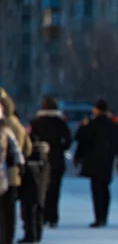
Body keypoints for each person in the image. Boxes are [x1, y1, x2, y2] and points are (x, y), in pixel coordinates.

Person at [74, 99, 118, 228]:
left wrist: (78, 157)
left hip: (93, 161)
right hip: (108, 160)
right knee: (105, 188)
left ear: (97, 110)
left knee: (96, 189)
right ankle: (104, 216)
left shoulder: (92, 124)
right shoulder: (113, 125)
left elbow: (81, 140)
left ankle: (98, 217)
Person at [28, 96, 72, 228]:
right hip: (57, 160)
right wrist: (60, 149)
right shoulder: (60, 122)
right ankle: (53, 217)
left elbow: (30, 139)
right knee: (55, 190)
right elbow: (68, 140)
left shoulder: (36, 122)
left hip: (41, 160)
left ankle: (42, 216)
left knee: (41, 190)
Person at [0, 88, 31, 244]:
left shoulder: (4, 126)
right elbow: (26, 150)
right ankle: (8, 240)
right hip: (12, 175)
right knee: (9, 210)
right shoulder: (17, 125)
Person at [18, 134, 49, 244]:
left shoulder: (29, 159)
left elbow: (23, 173)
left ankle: (30, 235)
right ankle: (38, 234)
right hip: (41, 189)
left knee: (28, 212)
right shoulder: (44, 159)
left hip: (28, 189)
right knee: (39, 211)